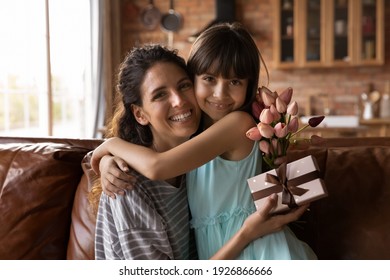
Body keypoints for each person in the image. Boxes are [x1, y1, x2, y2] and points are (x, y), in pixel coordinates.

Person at [91, 22, 316, 260]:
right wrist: (107, 160)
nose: (220, 93)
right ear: (194, 78)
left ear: (249, 85)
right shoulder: (194, 133)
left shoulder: (238, 124)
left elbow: (157, 166)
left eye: (235, 82)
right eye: (209, 78)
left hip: (258, 250)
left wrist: (108, 146)